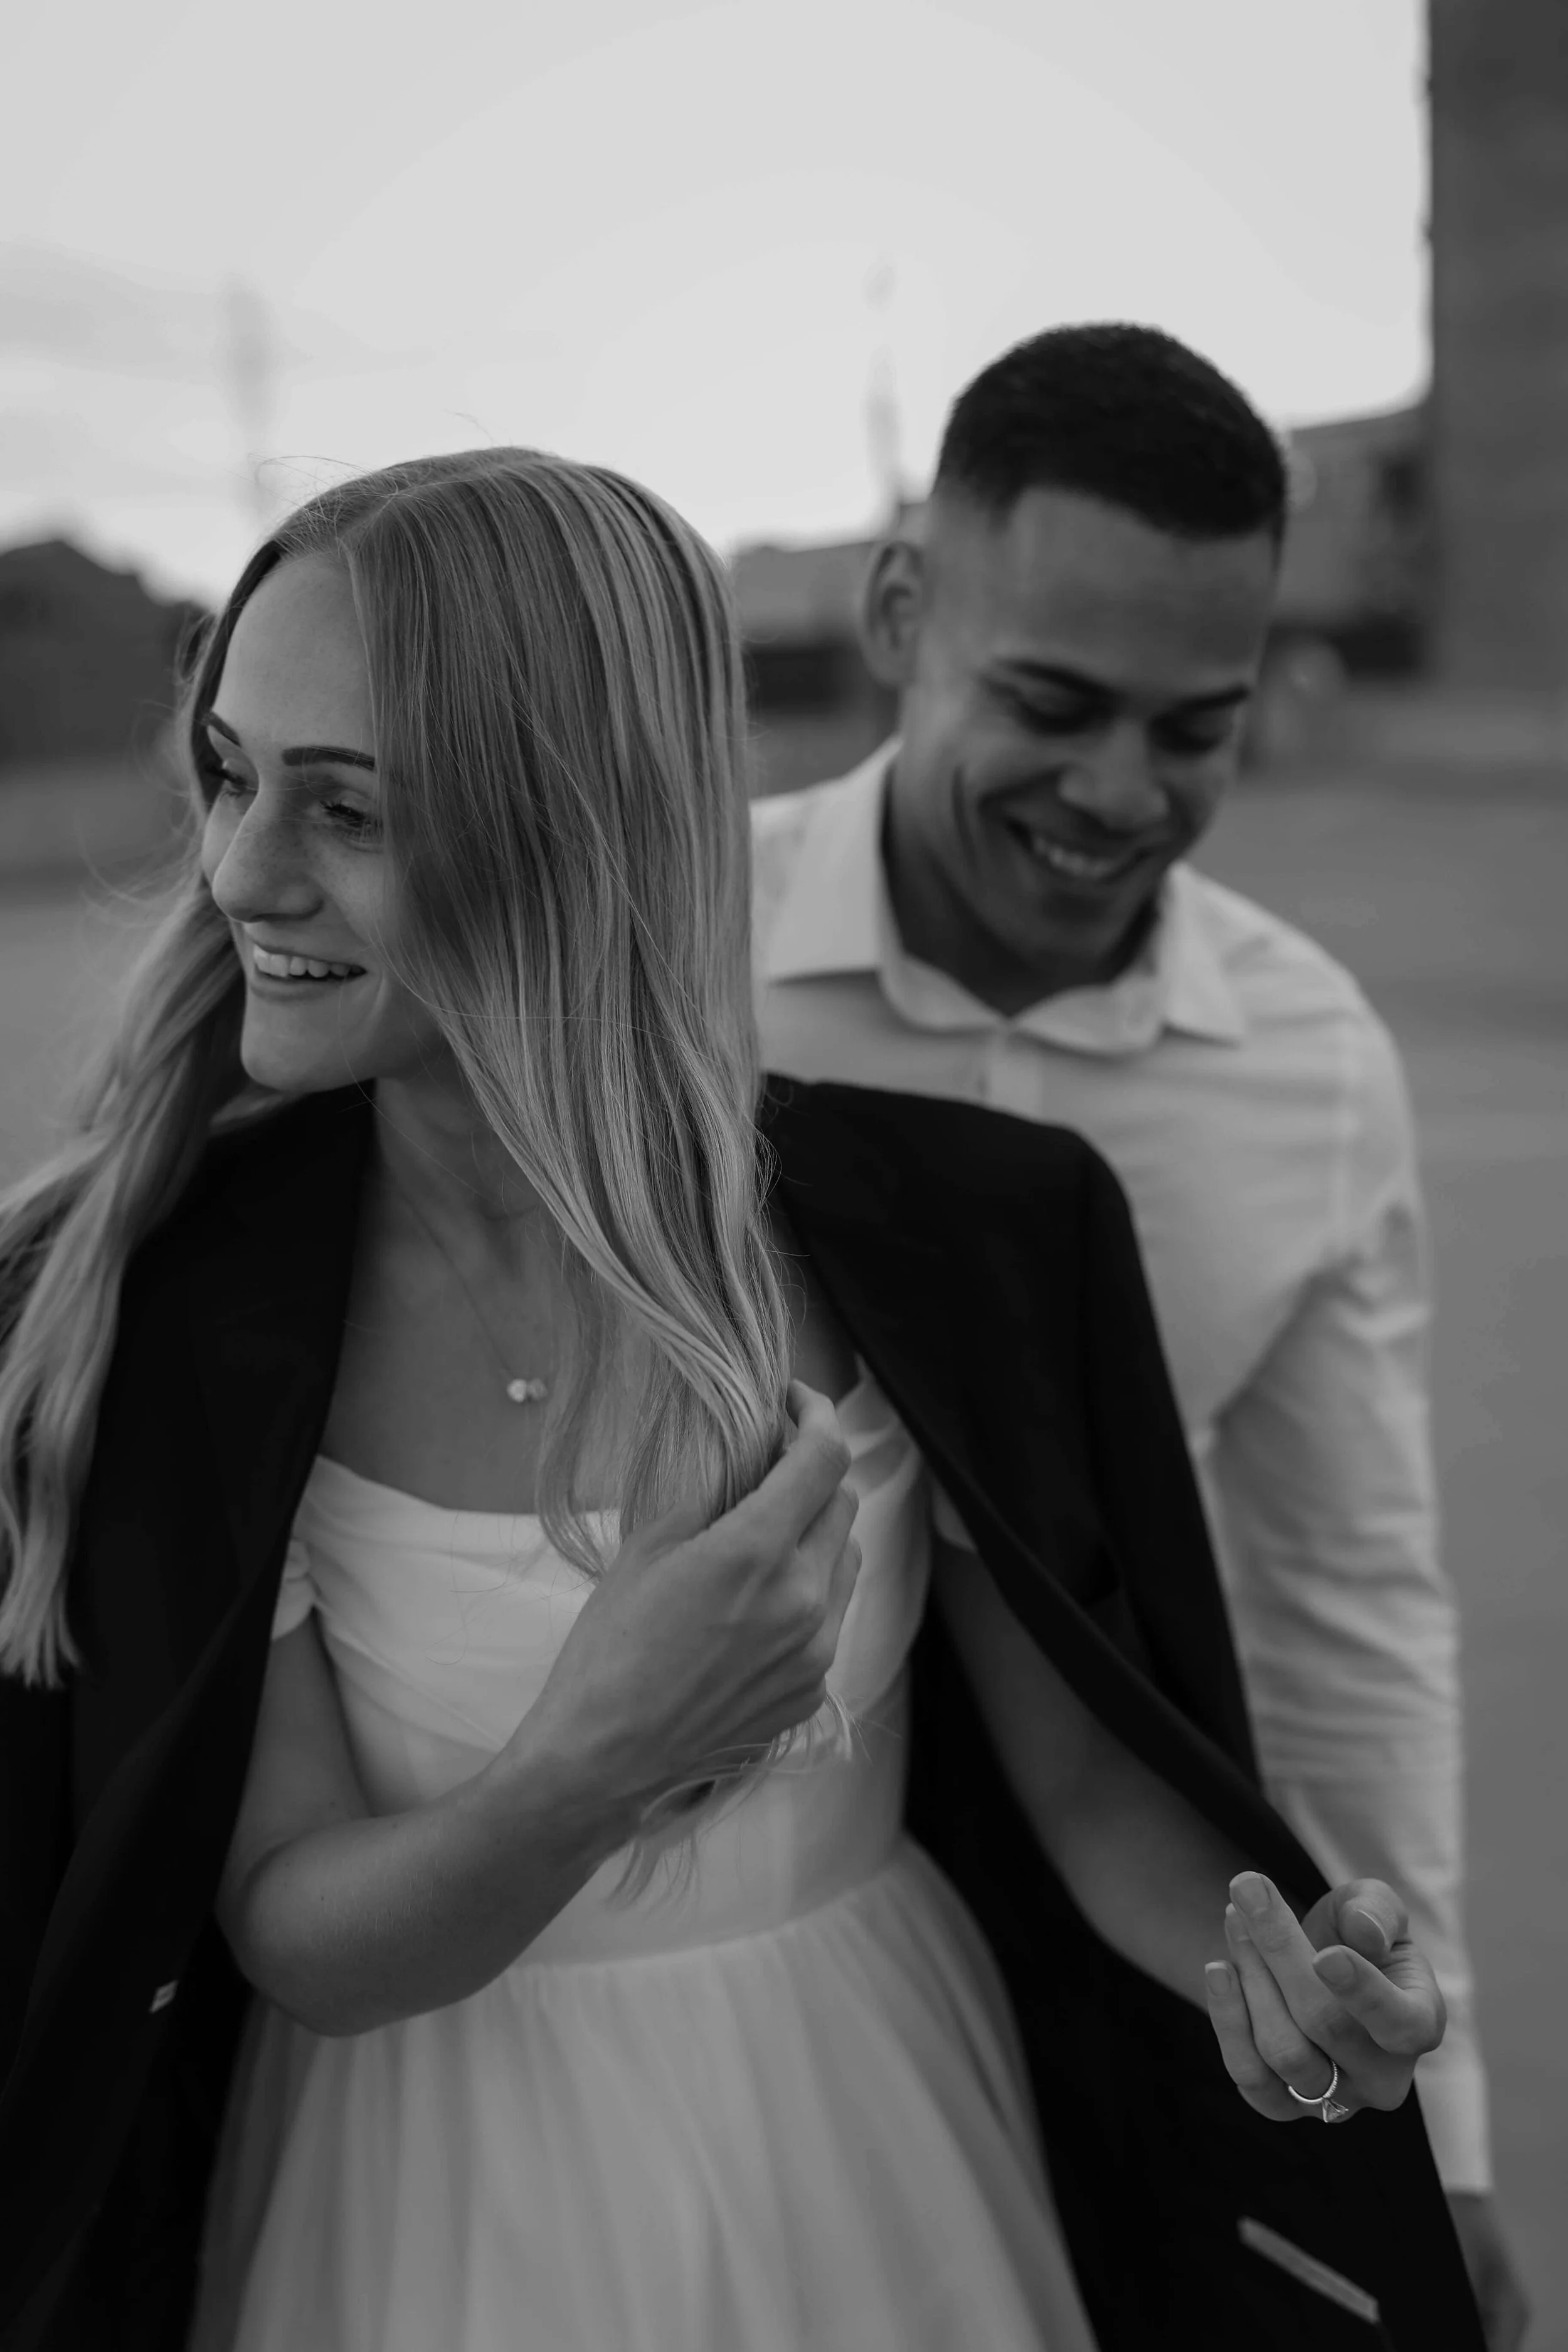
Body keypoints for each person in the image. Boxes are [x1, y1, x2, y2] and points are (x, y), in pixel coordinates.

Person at [0, 448, 1460, 2352]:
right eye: (228, 769)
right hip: (423, 2216)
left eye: (342, 805)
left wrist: (1281, 1983)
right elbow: (290, 1919)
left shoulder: (970, 1234)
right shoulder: (167, 1297)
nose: (241, 869)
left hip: (875, 2145)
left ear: (571, 826)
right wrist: (589, 1756)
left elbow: (1099, 1781)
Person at [753, 323, 1528, 2349]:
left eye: (1195, 726)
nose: (1118, 791)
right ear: (901, 610)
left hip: (1143, 1951)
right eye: (1050, 701)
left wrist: (1431, 2128)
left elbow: (1347, 1609)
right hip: (709, 1961)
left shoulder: (1312, 1064)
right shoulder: (672, 955)